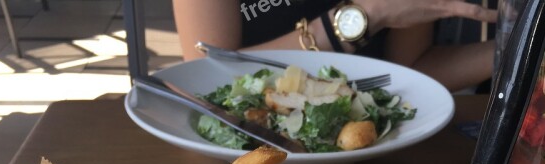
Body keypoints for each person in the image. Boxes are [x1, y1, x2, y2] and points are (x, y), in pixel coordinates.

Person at [173, 0, 497, 92]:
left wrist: (523, 52)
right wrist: (367, 16)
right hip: (243, 149)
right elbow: (205, 75)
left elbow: (408, 71)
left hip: (373, 150)